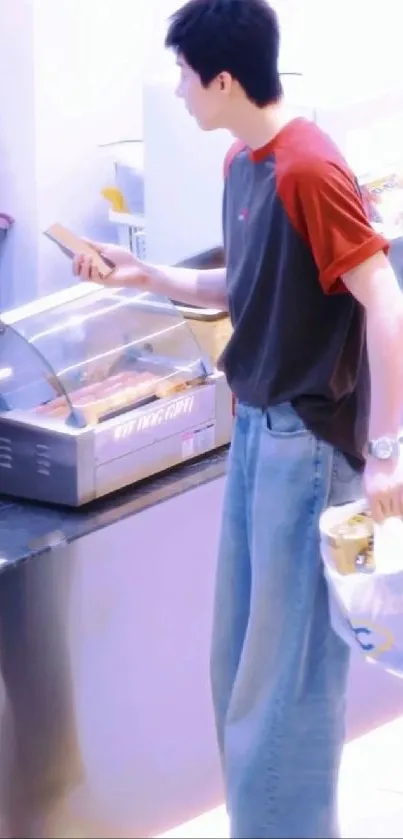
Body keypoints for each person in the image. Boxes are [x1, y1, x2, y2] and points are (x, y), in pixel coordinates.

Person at [73, 1, 403, 835]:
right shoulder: (243, 164)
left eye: (185, 75)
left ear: (223, 79)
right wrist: (143, 274)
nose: (179, 92)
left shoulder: (305, 167)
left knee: (282, 685)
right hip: (256, 434)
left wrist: (387, 452)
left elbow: (384, 304)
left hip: (306, 444)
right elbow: (244, 286)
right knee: (238, 671)